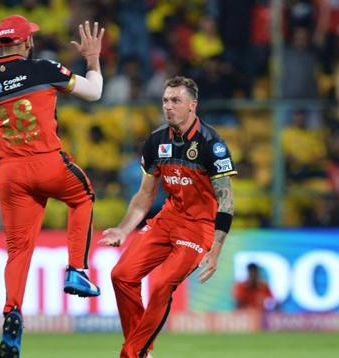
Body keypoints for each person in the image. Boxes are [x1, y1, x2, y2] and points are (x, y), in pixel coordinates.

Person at [0, 15, 105, 358]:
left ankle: (11, 311)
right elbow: (94, 92)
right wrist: (92, 60)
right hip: (46, 161)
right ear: (25, 42)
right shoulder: (44, 68)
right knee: (83, 196)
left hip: (10, 173)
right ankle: (76, 270)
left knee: (18, 250)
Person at [100, 76, 237, 358]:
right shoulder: (155, 142)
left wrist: (216, 249)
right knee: (121, 275)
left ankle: (133, 353)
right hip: (168, 218)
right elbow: (145, 195)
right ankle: (143, 350)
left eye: (176, 101)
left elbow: (227, 201)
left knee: (162, 284)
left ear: (192, 106)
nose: (168, 106)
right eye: (165, 100)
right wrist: (124, 230)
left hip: (199, 228)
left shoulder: (212, 144)